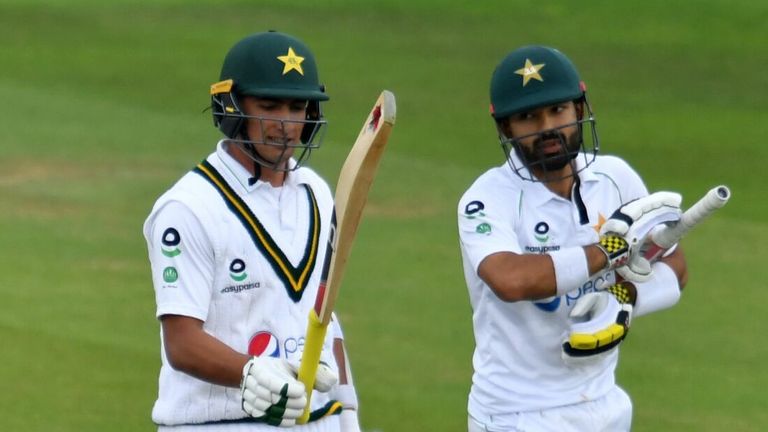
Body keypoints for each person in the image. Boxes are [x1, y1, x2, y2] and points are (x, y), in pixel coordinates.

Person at [458, 45, 689, 431]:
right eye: (528, 117)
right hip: (519, 413)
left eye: (558, 110)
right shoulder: (486, 198)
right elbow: (510, 280)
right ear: (505, 128)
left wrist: (626, 299)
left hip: (604, 402)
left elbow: (673, 265)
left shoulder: (616, 178)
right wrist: (608, 250)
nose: (547, 127)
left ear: (579, 110)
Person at [143, 31, 360, 431]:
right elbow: (181, 342)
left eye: (297, 108)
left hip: (313, 420)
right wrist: (251, 373)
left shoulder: (316, 193)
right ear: (230, 106)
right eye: (268, 105)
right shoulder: (189, 208)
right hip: (220, 421)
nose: (285, 124)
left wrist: (347, 407)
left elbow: (325, 310)